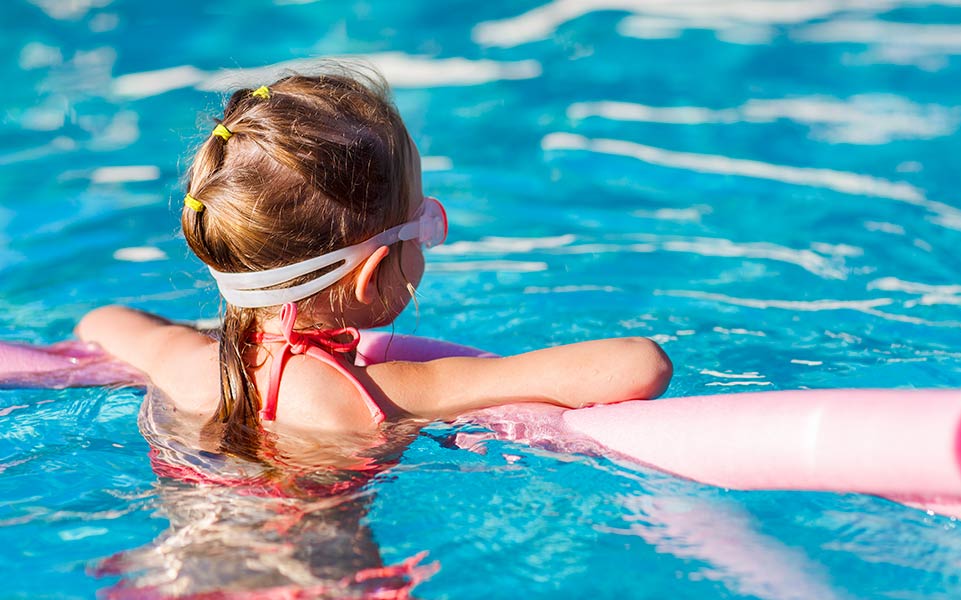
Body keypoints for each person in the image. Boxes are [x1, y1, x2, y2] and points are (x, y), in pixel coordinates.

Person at [75, 70, 672, 462]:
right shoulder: (383, 392)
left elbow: (101, 322)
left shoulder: (185, 363)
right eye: (425, 225)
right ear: (372, 273)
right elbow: (637, 366)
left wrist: (202, 336)